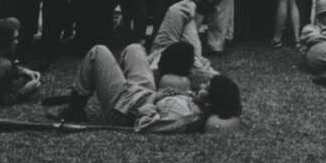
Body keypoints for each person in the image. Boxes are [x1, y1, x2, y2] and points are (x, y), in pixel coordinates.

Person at [48, 37, 233, 134]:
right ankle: (103, 82)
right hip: (142, 92)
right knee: (134, 48)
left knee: (98, 51)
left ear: (209, 103)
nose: (200, 87)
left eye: (205, 88)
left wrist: (153, 99)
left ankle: (75, 107)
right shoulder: (197, 104)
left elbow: (145, 126)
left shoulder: (184, 116)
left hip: (123, 106)